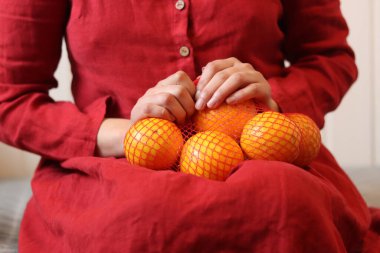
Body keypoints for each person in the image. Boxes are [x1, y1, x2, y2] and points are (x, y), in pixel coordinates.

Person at [1, 0, 379, 252]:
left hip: (263, 152)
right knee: (133, 219)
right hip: (113, 162)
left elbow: (329, 58)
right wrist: (128, 132)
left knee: (285, 200)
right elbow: (9, 96)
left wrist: (274, 100)